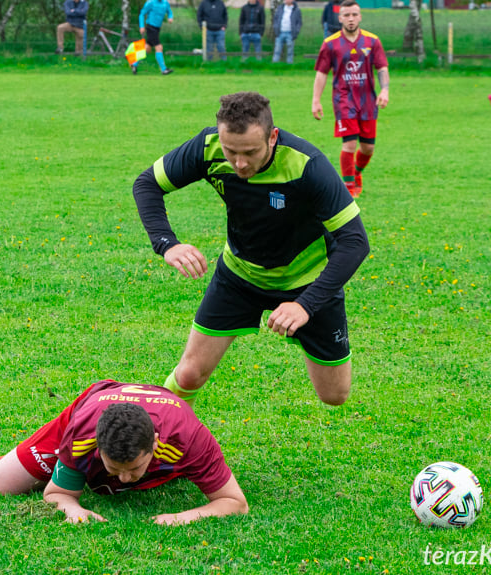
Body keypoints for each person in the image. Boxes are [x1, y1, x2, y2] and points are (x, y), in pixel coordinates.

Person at [133, 92, 370, 409]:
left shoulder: (307, 166)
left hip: (306, 281)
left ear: (272, 137)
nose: (240, 163)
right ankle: (153, 435)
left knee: (335, 395)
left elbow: (355, 240)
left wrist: (305, 304)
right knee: (188, 374)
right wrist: (166, 243)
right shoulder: (209, 148)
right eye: (231, 151)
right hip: (240, 276)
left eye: (250, 152)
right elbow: (148, 183)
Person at [0, 380, 249, 525]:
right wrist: (72, 509)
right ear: (97, 444)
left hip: (167, 422)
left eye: (134, 469)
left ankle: (153, 470)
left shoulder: (189, 437)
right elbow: (58, 494)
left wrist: (179, 518)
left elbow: (236, 503)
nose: (125, 478)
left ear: (155, 443)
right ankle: (66, 464)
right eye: (115, 468)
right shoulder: (82, 431)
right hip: (90, 407)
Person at [312, 0, 389, 198]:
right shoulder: (331, 44)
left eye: (354, 14)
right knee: (349, 145)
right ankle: (348, 188)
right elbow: (321, 73)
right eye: (346, 15)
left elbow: (382, 67)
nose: (351, 19)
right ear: (340, 18)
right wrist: (316, 100)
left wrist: (385, 90)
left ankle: (355, 172)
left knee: (368, 148)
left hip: (368, 101)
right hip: (343, 100)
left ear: (360, 16)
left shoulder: (372, 41)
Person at [134, 0, 174, 75]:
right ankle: (164, 69)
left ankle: (134, 64)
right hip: (150, 27)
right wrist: (142, 26)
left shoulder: (165, 3)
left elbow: (169, 12)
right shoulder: (150, 3)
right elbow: (142, 14)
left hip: (157, 28)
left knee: (147, 49)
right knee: (159, 47)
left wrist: (170, 17)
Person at [271, 0, 302, 64]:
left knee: (290, 51)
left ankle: (289, 65)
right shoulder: (280, 8)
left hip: (290, 33)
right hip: (280, 32)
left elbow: (299, 22)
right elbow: (275, 19)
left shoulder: (296, 10)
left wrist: (296, 31)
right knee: (277, 50)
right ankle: (274, 64)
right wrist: (276, 28)